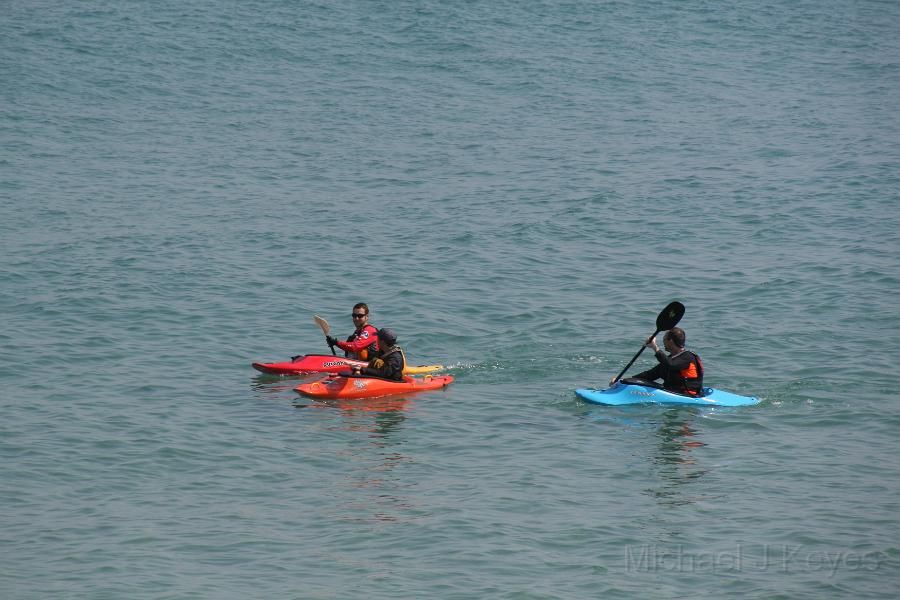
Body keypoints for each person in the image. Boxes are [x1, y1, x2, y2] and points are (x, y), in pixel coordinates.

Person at [628, 327, 704, 396]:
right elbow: (650, 374)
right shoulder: (671, 359)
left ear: (670, 341)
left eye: (664, 339)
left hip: (688, 396)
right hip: (671, 392)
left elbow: (671, 364)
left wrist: (655, 347)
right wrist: (626, 380)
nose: (663, 343)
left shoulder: (688, 357)